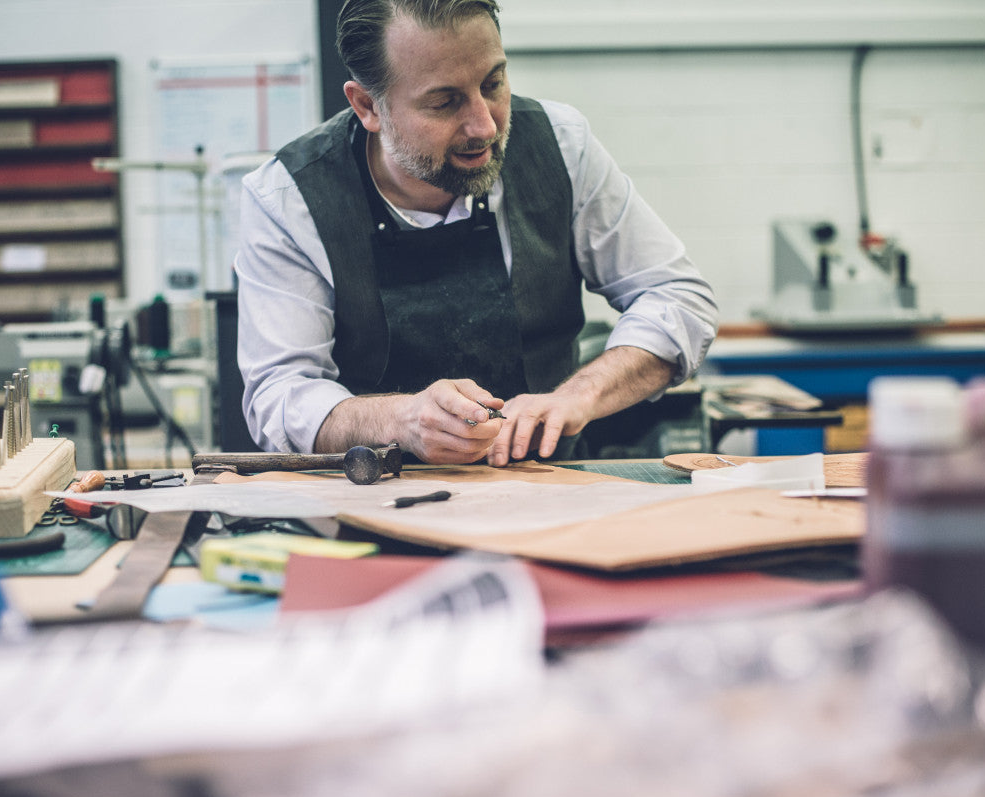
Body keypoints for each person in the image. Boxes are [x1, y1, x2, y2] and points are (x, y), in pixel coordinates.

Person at [235, 0, 718, 467]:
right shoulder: (289, 198)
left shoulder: (561, 147)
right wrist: (400, 420)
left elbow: (677, 297)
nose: (484, 125)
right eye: (444, 103)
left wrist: (579, 396)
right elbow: (279, 393)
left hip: (548, 493)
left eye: (494, 83)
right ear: (368, 106)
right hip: (367, 511)